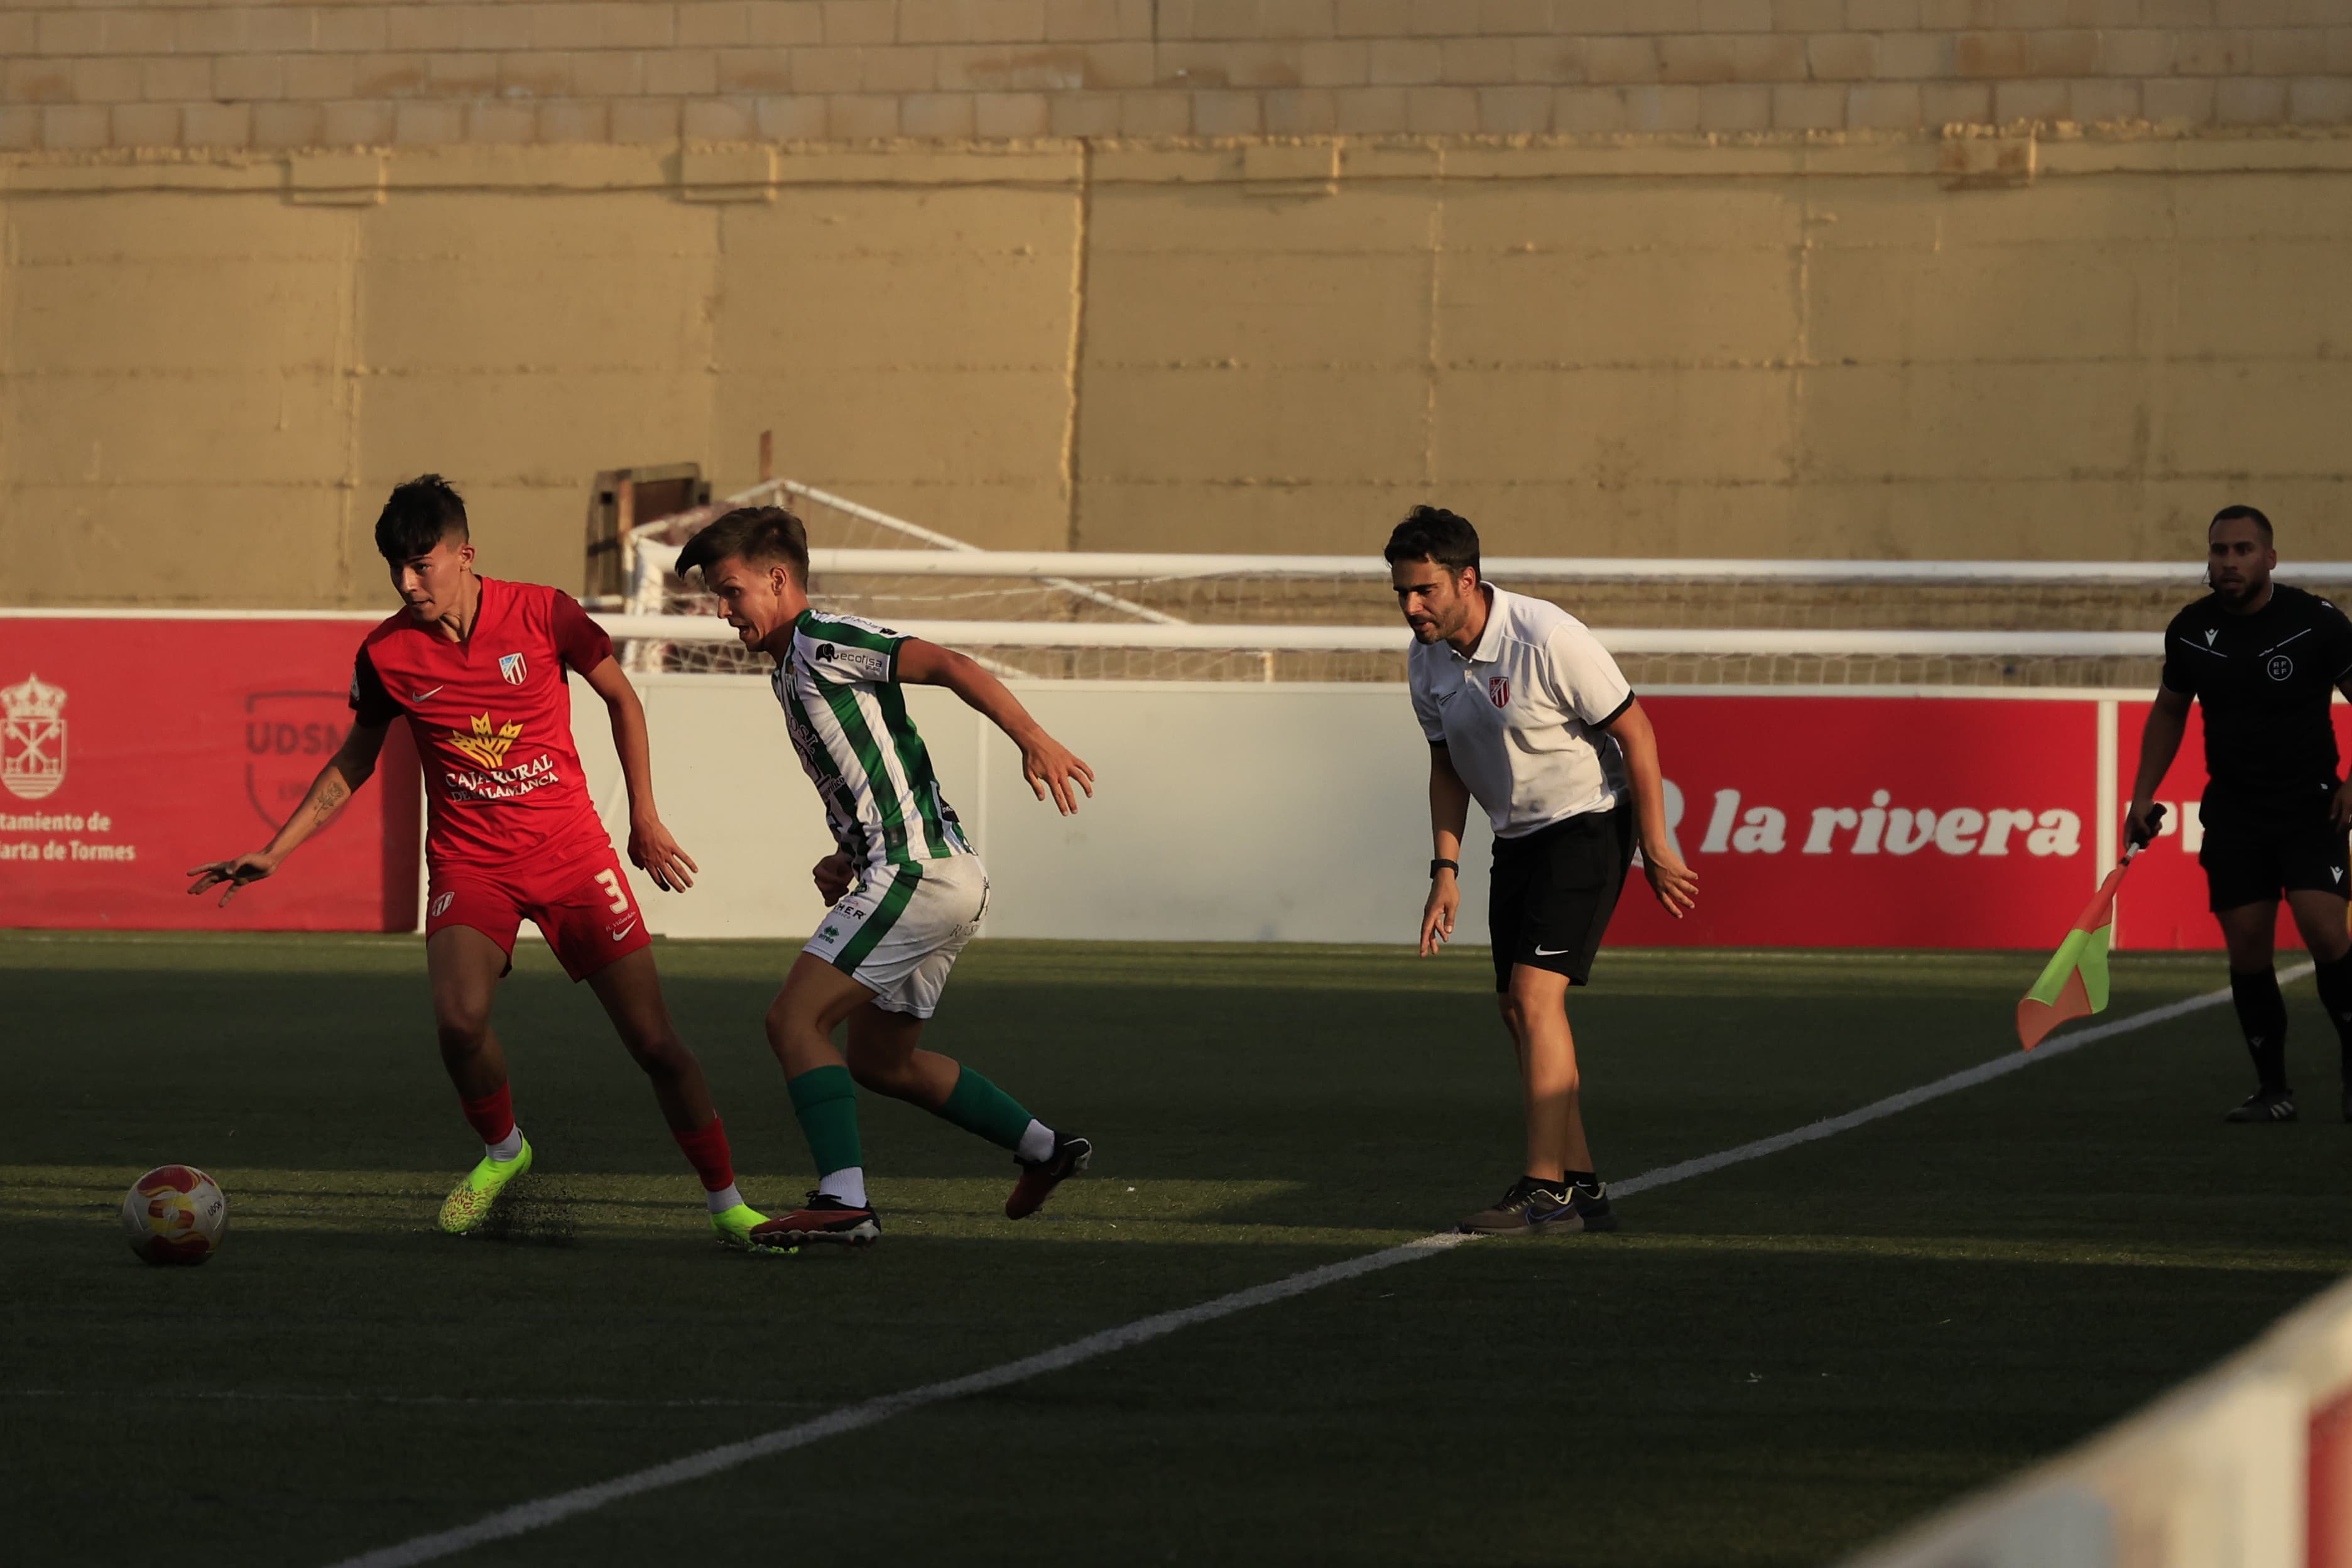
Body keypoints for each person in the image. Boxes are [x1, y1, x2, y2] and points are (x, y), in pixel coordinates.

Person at [187, 476, 775, 1249]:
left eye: (420, 564)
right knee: (459, 1027)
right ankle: (505, 1151)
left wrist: (644, 817)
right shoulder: (387, 654)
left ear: (466, 555)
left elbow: (622, 699)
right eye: (395, 567)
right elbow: (354, 760)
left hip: (571, 857)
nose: (406, 582)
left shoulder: (544, 612)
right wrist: (277, 849)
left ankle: (728, 1204)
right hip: (471, 865)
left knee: (656, 1045)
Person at [677, 506, 1097, 1248]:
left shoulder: (821, 638)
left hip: (920, 872)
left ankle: (844, 1202)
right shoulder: (788, 669)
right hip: (926, 870)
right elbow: (876, 776)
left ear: (778, 579)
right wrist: (848, 855)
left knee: (793, 1021)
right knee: (880, 1059)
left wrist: (1035, 739)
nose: (722, 611)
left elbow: (949, 664)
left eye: (731, 590)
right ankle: (1043, 1148)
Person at [1389, 506, 1699, 1236]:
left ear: (1468, 580)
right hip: (1517, 837)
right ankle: (1582, 1183)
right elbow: (1445, 765)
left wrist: (1655, 843)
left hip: (1589, 824)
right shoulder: (1425, 658)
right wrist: (1445, 868)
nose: (1411, 608)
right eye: (1401, 592)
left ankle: (1544, 1190)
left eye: (1425, 590)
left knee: (1535, 998)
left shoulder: (1547, 637)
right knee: (1516, 1011)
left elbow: (1637, 732)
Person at [2125, 504, 2352, 1123]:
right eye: (2220, 550)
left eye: (2243, 550)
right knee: (2248, 945)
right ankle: (2273, 1089)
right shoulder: (2191, 630)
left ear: (2270, 559)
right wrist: (2142, 793)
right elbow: (2170, 709)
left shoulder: (2317, 624)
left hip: (2311, 804)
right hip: (2234, 811)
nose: (2229, 561)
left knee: (2325, 930)